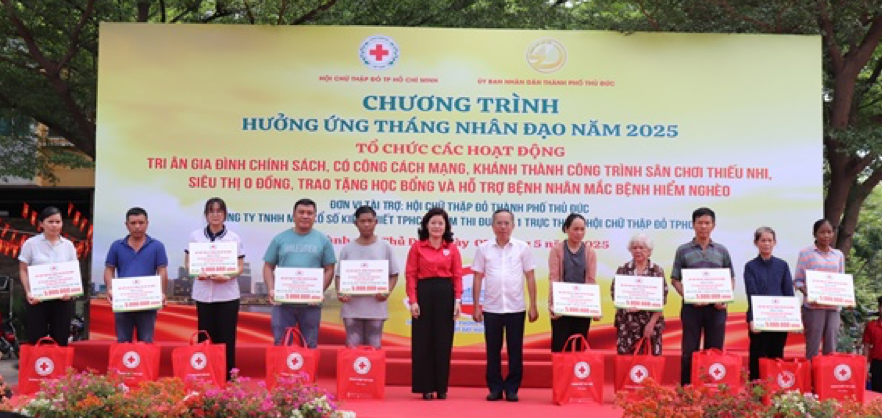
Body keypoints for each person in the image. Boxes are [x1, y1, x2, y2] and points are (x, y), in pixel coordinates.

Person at [471, 209, 538, 402]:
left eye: (506, 223)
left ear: (513, 226)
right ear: (493, 226)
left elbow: (530, 277)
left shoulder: (522, 248)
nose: (503, 227)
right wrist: (476, 306)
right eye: (499, 223)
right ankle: (495, 387)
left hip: (516, 307)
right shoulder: (483, 249)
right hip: (492, 308)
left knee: (515, 350)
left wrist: (533, 305)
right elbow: (477, 277)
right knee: (492, 350)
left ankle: (512, 388)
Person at [670, 207, 735, 386]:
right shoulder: (683, 250)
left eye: (707, 223)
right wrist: (689, 295)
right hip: (692, 308)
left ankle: (710, 388)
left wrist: (724, 299)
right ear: (693, 225)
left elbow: (730, 278)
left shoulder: (722, 250)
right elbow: (675, 279)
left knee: (714, 351)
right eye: (700, 223)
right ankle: (686, 389)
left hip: (716, 309)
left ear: (713, 225)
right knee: (689, 351)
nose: (703, 226)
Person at [184, 197, 244, 379]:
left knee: (227, 337)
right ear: (206, 214)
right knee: (205, 336)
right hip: (203, 295)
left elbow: (240, 266)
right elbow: (188, 263)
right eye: (211, 211)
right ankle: (206, 374)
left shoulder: (234, 238)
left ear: (225, 214)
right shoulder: (195, 236)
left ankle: (228, 376)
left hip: (227, 295)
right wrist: (196, 272)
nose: (215, 215)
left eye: (219, 211)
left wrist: (228, 276)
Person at [406, 207, 462, 400]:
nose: (437, 226)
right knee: (423, 341)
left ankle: (441, 387)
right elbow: (411, 275)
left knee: (443, 341)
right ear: (426, 225)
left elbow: (457, 276)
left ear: (446, 226)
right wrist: (413, 300)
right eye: (433, 223)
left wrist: (457, 300)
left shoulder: (452, 248)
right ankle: (426, 387)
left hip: (445, 294)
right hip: (424, 294)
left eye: (440, 223)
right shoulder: (417, 247)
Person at [263, 199, 336, 348]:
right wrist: (271, 289)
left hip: (311, 304)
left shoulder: (323, 241)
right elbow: (268, 266)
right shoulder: (280, 239)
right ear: (293, 215)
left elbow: (330, 269)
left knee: (310, 344)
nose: (305, 216)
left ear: (315, 216)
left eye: (309, 213)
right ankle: (281, 365)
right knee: (281, 343)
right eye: (301, 212)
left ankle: (308, 366)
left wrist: (318, 291)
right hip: (283, 303)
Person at [335, 206, 400, 348]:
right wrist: (340, 292)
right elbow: (339, 276)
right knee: (352, 350)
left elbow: (394, 274)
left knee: (374, 349)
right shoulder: (347, 249)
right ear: (356, 223)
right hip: (352, 309)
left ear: (376, 222)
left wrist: (387, 291)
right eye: (362, 221)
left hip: (376, 308)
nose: (366, 224)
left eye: (370, 221)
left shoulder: (385, 247)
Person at [104, 207, 169, 343]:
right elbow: (109, 269)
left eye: (141, 222)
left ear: (147, 223)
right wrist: (110, 288)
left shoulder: (157, 246)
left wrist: (162, 292)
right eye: (133, 223)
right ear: (126, 224)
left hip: (147, 302)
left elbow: (162, 270)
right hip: (123, 301)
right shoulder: (116, 246)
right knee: (123, 342)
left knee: (146, 342)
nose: (137, 226)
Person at [17, 206, 77, 345]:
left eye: (58, 222)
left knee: (61, 339)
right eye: (50, 222)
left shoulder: (68, 245)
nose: (54, 225)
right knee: (36, 339)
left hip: (62, 300)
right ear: (41, 224)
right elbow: (23, 270)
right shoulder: (30, 244)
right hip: (37, 299)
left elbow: (73, 271)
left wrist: (71, 292)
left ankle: (60, 360)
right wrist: (28, 292)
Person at [743, 226, 794, 381]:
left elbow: (789, 293)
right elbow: (751, 294)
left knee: (776, 355)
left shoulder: (782, 265)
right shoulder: (750, 266)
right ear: (756, 243)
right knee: (757, 356)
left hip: (779, 320)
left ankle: (775, 389)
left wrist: (792, 319)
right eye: (763, 240)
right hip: (759, 320)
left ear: (774, 242)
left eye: (770, 240)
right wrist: (753, 319)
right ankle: (756, 389)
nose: (766, 244)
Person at [793, 219, 844, 360]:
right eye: (822, 232)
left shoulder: (838, 255)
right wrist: (809, 293)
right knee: (813, 348)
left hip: (833, 309)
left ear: (833, 234)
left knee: (831, 348)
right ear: (815, 234)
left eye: (829, 232)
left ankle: (827, 374)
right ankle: (811, 373)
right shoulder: (806, 253)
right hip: (813, 308)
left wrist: (845, 297)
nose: (826, 235)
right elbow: (798, 281)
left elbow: (841, 280)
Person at [548, 213, 598, 353]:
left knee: (579, 348)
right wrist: (553, 305)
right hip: (562, 306)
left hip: (582, 307)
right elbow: (554, 278)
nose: (579, 233)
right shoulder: (557, 250)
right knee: (560, 347)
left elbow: (591, 280)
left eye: (582, 229)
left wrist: (594, 308)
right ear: (566, 229)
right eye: (575, 229)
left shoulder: (590, 252)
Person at [610, 233, 667, 355]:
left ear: (649, 251)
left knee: (650, 362)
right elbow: (614, 293)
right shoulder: (623, 270)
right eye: (634, 248)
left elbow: (661, 300)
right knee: (626, 361)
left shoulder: (657, 271)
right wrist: (627, 305)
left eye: (641, 247)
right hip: (627, 325)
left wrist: (651, 324)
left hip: (650, 323)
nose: (638, 251)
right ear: (630, 250)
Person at [862, 296, 882, 392]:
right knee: (877, 392)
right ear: (879, 308)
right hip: (877, 364)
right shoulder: (871, 326)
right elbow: (866, 346)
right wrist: (865, 366)